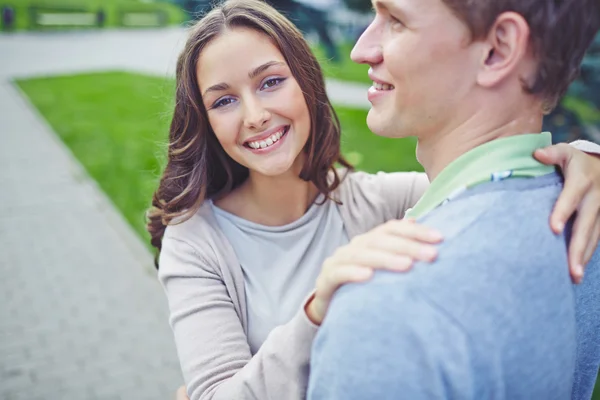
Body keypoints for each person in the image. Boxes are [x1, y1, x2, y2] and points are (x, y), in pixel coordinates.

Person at [147, 1, 600, 400]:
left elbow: (483, 191)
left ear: (305, 82)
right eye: (223, 101)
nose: (254, 115)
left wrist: (584, 156)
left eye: (269, 83)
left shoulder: (372, 199)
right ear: (204, 120)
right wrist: (317, 308)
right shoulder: (196, 240)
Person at [308, 0, 600, 399]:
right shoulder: (584, 221)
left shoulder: (387, 311)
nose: (362, 49)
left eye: (396, 20)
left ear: (498, 49)